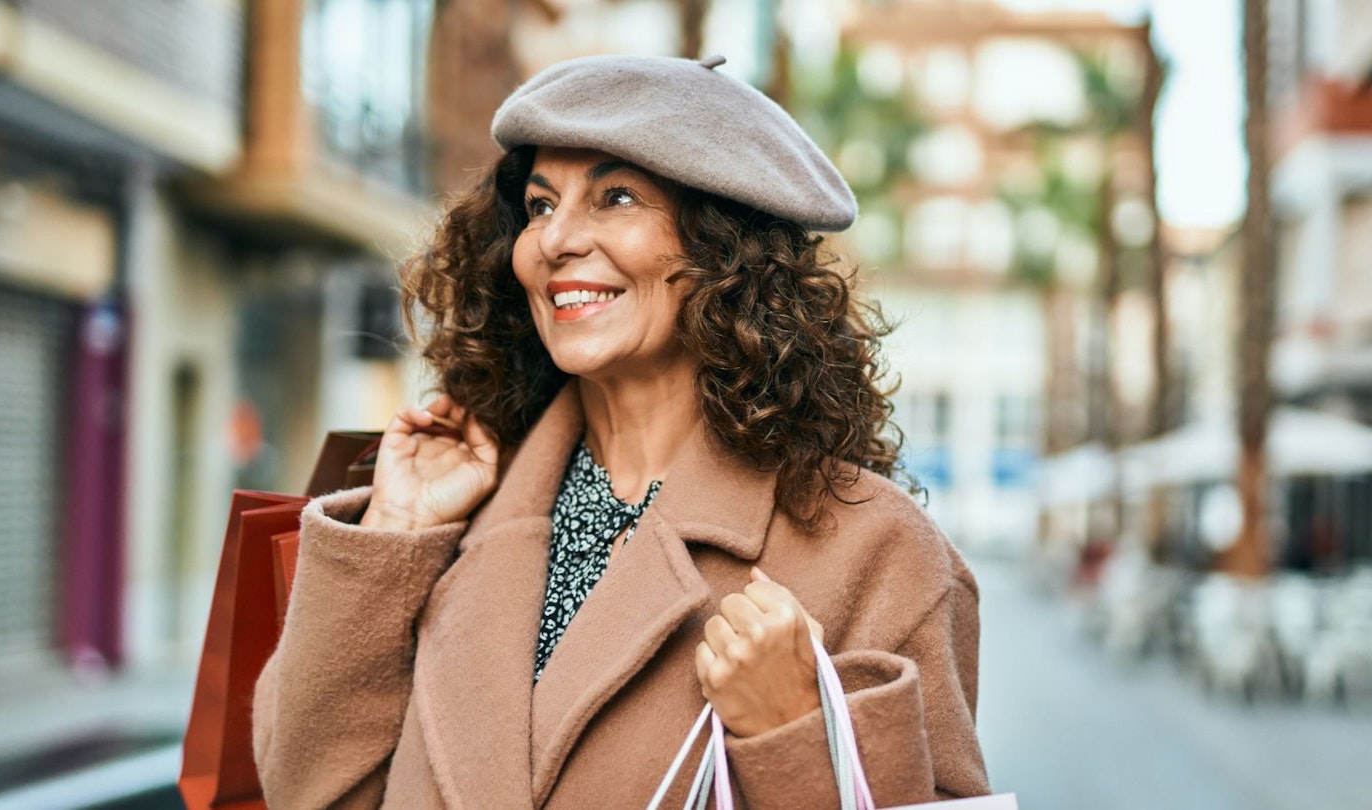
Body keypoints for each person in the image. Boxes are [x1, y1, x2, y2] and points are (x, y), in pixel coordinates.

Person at [252, 53, 989, 809]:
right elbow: (308, 793)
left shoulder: (878, 553)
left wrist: (789, 734)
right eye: (540, 206)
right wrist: (394, 535)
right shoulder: (448, 516)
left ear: (723, 251)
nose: (556, 240)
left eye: (616, 197)